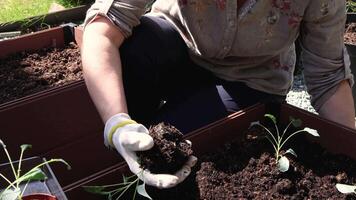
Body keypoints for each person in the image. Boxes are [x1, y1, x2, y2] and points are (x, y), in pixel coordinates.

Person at [81, 0, 355, 189]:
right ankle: (121, 150)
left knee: (180, 151)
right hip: (178, 42)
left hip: (250, 78)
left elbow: (328, 79)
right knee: (134, 53)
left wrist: (351, 146)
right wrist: (117, 121)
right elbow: (103, 29)